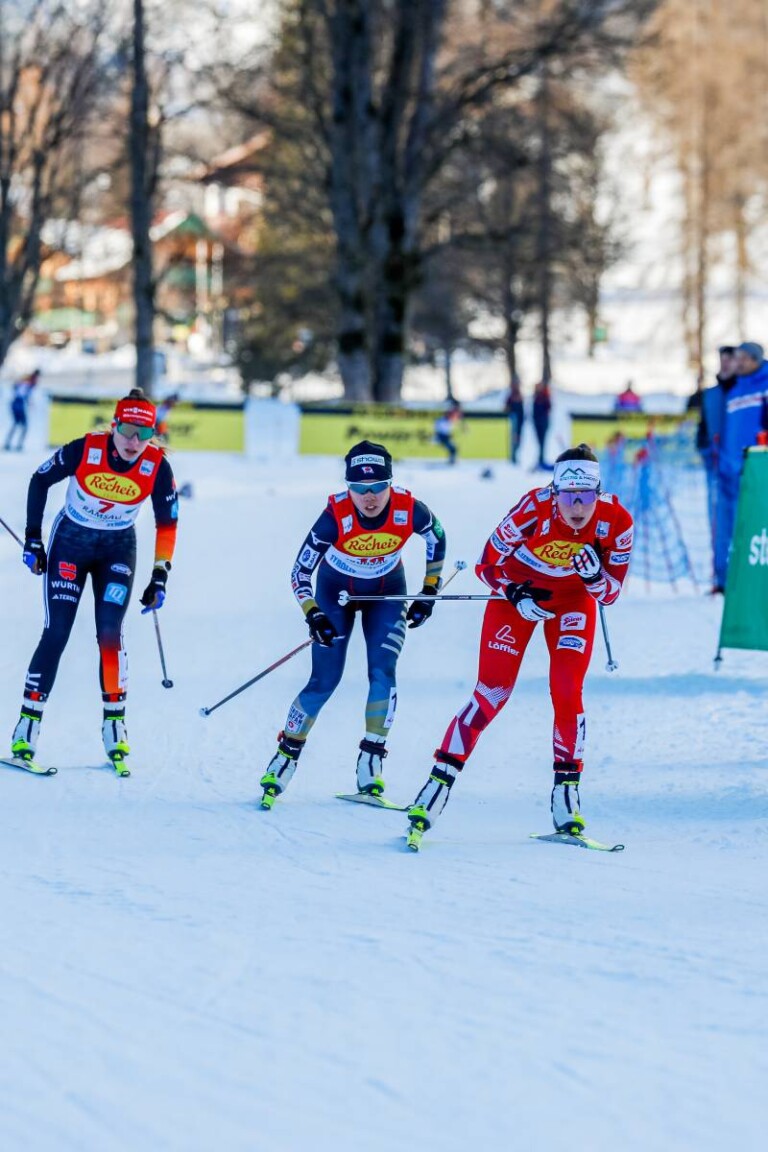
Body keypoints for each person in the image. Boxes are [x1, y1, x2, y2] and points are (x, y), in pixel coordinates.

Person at [406, 443, 634, 848]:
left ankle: (567, 799)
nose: (577, 507)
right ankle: (434, 790)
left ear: (599, 493)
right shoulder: (532, 508)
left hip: (572, 602)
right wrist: (514, 592)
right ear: (554, 491)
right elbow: (485, 563)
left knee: (567, 692)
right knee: (492, 693)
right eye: (568, 496)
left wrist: (595, 576)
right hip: (518, 597)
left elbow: (611, 594)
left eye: (586, 497)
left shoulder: (617, 520)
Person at [259, 439, 447, 808]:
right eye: (359, 489)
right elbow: (300, 571)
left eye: (378, 487)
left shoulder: (410, 508)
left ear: (390, 483)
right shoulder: (335, 516)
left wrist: (428, 591)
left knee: (383, 672)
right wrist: (312, 612)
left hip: (387, 593)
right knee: (324, 680)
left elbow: (436, 538)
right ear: (348, 488)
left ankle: (370, 764)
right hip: (334, 593)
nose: (370, 497)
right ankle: (284, 757)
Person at [5, 388, 179, 775]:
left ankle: (114, 724)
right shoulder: (87, 449)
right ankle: (27, 725)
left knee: (110, 635)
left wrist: (160, 573)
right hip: (71, 543)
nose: (135, 442)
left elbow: (167, 523)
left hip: (118, 549)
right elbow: (39, 480)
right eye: (129, 431)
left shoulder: (156, 465)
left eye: (144, 433)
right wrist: (33, 538)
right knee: (57, 632)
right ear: (115, 425)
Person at [711, 341, 768, 593]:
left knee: (755, 525)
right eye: (739, 358)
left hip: (754, 469)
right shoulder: (735, 390)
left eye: (745, 358)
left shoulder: (764, 386)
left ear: (756, 360)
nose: (740, 362)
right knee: (728, 528)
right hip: (728, 471)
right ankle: (727, 581)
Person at [697, 346, 737, 570]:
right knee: (717, 522)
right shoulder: (711, 395)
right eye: (723, 359)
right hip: (715, 468)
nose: (726, 364)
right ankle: (720, 576)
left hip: (740, 468)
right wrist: (705, 452)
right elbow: (702, 430)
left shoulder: (743, 392)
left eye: (730, 360)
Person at [4, 368, 40, 451]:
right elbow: (22, 393)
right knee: (24, 426)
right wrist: (29, 402)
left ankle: (9, 443)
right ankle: (17, 445)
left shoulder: (25, 381)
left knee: (16, 424)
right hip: (18, 404)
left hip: (15, 404)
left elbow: (16, 388)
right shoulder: (28, 383)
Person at [433, 399, 463, 465]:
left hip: (444, 434)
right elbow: (449, 418)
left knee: (453, 449)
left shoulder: (453, 414)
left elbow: (454, 419)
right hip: (443, 435)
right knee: (453, 448)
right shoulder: (450, 414)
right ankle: (452, 461)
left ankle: (452, 460)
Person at [531, 380, 552, 470]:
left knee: (542, 442)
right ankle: (540, 459)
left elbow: (548, 408)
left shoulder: (544, 397)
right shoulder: (536, 397)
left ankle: (541, 459)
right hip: (537, 422)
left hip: (542, 422)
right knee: (539, 442)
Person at [504, 377, 525, 463]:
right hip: (513, 422)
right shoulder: (510, 397)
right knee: (513, 439)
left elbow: (522, 411)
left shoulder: (520, 396)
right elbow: (506, 409)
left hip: (520, 422)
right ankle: (513, 456)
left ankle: (515, 455)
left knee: (518, 439)